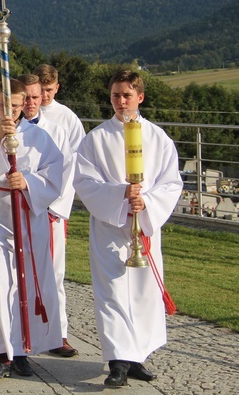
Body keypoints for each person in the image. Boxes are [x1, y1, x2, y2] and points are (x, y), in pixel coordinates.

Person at [74, 70, 182, 388]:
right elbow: (85, 181)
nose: (121, 102)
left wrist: (145, 202)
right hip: (110, 226)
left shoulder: (158, 138)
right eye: (115, 96)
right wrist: (121, 194)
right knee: (113, 292)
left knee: (143, 292)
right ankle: (118, 361)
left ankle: (137, 357)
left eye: (127, 95)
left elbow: (171, 183)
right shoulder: (96, 139)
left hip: (144, 226)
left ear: (140, 97)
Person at [0, 79, 64, 380]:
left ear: (24, 105)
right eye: (3, 105)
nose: (10, 111)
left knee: (24, 286)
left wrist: (29, 183)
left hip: (26, 216)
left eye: (16, 106)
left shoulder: (39, 137)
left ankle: (21, 350)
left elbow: (55, 174)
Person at [32, 65, 86, 357]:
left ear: (56, 88)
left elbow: (73, 164)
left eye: (50, 91)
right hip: (26, 204)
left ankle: (58, 333)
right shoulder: (23, 114)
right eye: (41, 92)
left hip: (53, 206)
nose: (44, 97)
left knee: (54, 272)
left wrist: (57, 204)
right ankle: (25, 329)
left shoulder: (67, 119)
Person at [34, 64, 85, 150]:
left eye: (49, 90)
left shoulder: (68, 117)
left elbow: (79, 150)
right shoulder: (21, 112)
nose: (44, 95)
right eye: (41, 90)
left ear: (56, 88)